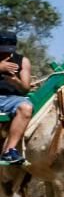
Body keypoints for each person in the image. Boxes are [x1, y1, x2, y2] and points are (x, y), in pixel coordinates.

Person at [0, 31, 33, 165]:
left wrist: (14, 81)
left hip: (11, 99)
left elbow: (25, 88)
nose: (6, 53)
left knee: (26, 107)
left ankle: (10, 151)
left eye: (9, 50)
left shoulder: (23, 61)